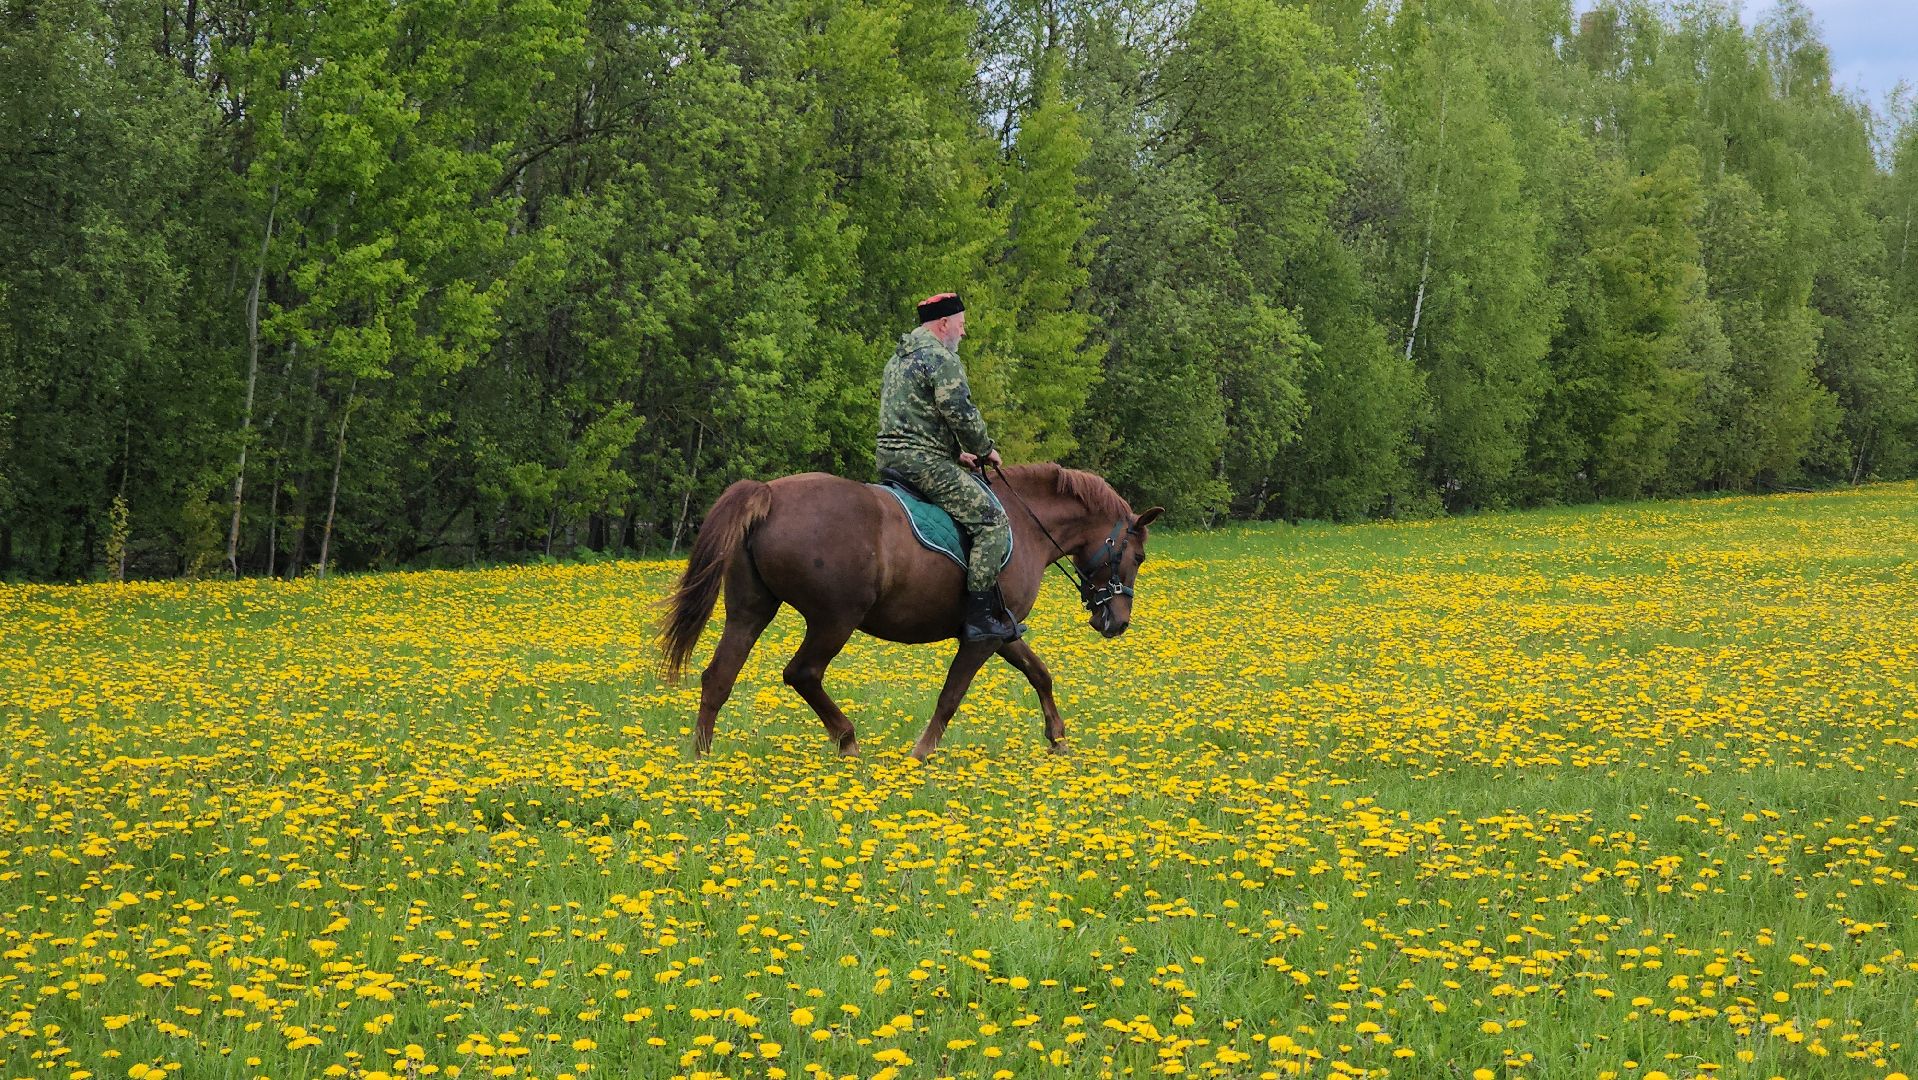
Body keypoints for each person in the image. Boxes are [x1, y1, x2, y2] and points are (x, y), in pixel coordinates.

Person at [876, 293, 1019, 643]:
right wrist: (984, 449)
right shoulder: (941, 358)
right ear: (944, 324)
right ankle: (980, 618)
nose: (963, 333)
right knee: (992, 521)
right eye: (961, 324)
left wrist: (957, 456)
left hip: (891, 459)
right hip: (923, 463)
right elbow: (959, 411)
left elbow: (913, 417)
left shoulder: (899, 358)